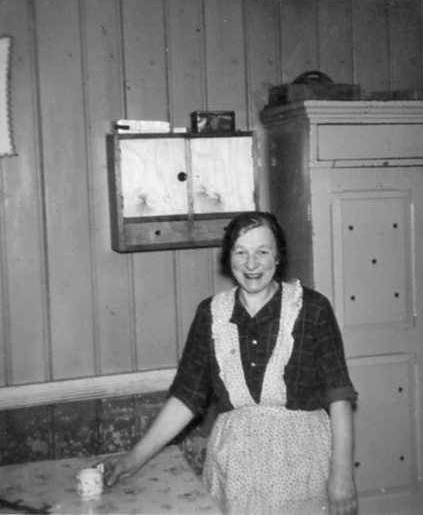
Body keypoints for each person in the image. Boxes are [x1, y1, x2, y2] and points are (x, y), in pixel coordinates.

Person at [103, 211, 358, 515]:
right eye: (241, 252)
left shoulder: (312, 308)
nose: (251, 264)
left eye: (263, 252)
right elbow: (186, 397)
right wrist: (133, 459)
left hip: (303, 467)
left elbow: (339, 396)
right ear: (228, 257)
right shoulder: (210, 314)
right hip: (234, 470)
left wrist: (343, 476)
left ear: (278, 257)